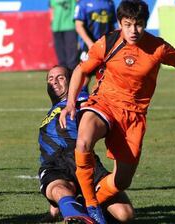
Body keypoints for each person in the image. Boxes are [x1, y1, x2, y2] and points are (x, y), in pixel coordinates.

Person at [59, 1, 175, 223]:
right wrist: (70, 103)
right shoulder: (108, 42)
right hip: (103, 104)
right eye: (128, 25)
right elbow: (80, 70)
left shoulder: (158, 48)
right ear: (120, 23)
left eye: (139, 25)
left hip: (133, 116)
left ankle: (87, 200)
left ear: (145, 24)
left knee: (121, 181)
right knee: (83, 143)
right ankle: (92, 207)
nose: (133, 31)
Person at [39, 65, 134, 223]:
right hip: (55, 166)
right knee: (60, 189)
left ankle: (80, 205)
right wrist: (55, 209)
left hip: (84, 159)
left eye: (60, 77)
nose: (54, 81)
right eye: (50, 78)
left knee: (126, 215)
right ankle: (75, 214)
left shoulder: (81, 100)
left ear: (72, 82)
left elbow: (95, 110)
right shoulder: (53, 111)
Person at [74, 0, 117, 94]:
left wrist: (114, 41)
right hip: (88, 46)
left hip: (106, 46)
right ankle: (81, 99)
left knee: (107, 74)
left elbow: (112, 25)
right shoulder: (83, 3)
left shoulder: (109, 3)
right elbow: (78, 25)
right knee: (85, 75)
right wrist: (90, 44)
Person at [49, 0, 79, 70]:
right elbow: (52, 9)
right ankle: (63, 70)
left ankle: (72, 70)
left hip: (70, 25)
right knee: (60, 51)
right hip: (56, 26)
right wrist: (52, 22)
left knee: (71, 50)